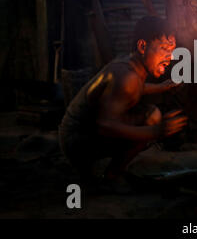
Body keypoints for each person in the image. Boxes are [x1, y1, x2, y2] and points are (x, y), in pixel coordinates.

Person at [58, 16, 187, 190]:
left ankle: (100, 170)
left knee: (150, 116)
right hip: (77, 141)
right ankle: (110, 176)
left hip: (75, 134)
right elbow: (104, 126)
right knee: (151, 119)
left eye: (171, 50)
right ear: (142, 46)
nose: (170, 58)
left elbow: (135, 89)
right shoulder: (127, 77)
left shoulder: (129, 65)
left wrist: (162, 87)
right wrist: (155, 131)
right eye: (164, 49)